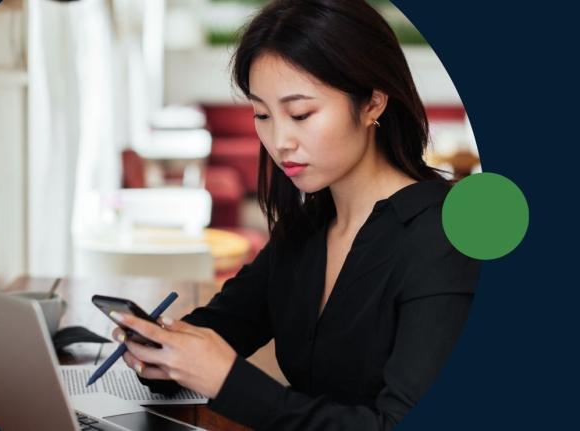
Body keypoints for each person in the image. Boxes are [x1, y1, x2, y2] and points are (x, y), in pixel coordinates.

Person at [110, 0, 479, 429]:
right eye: (262, 115)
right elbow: (220, 326)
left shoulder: (443, 237)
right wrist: (158, 349)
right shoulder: (306, 229)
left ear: (373, 103)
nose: (279, 140)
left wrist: (226, 379)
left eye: (300, 114)